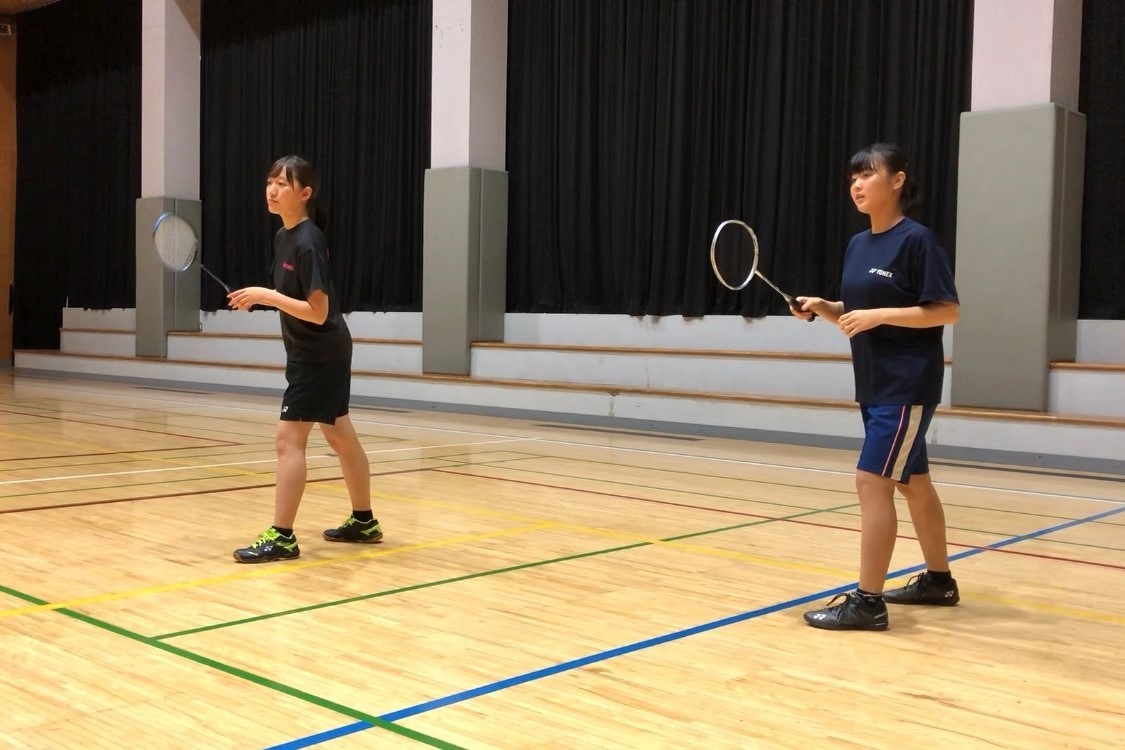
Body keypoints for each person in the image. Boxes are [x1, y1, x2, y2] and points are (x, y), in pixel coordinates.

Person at [795, 143, 960, 630]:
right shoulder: (858, 244)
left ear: (897, 181)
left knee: (872, 482)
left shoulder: (918, 241)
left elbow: (947, 310)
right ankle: (938, 581)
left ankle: (867, 603)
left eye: (868, 175)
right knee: (914, 484)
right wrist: (827, 307)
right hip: (874, 384)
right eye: (853, 178)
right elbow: (858, 314)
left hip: (906, 386)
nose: (857, 185)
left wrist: (878, 314)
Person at [228, 155, 383, 563]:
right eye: (269, 182)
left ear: (305, 193)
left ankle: (282, 537)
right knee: (339, 435)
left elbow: (317, 310)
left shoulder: (308, 240)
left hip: (320, 354)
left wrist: (265, 296)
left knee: (288, 440)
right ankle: (364, 521)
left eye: (282, 183)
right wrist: (264, 299)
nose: (272, 190)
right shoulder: (284, 236)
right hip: (314, 352)